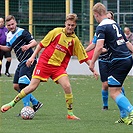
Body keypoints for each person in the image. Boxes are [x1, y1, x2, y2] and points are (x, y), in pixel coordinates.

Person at [0, 13, 98, 120]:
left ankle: (70, 114)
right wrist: (32, 57)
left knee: (67, 86)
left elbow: (83, 55)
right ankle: (11, 104)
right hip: (44, 63)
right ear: (65, 23)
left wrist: (92, 68)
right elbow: (41, 45)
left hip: (58, 68)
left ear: (75, 26)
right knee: (31, 87)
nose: (70, 27)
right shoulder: (56, 32)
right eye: (68, 25)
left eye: (72, 25)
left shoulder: (75, 40)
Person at [89, 2, 133, 125]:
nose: (95, 18)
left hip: (118, 60)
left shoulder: (102, 27)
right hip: (126, 59)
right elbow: (126, 43)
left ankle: (131, 111)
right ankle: (124, 116)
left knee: (113, 92)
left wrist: (92, 63)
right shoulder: (115, 24)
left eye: (94, 16)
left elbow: (98, 47)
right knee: (117, 89)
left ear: (96, 14)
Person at [0, 15, 43, 113]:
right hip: (21, 62)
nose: (11, 26)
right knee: (16, 86)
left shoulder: (22, 32)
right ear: (6, 26)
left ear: (15, 22)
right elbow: (8, 48)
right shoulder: (9, 35)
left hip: (29, 60)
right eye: (9, 25)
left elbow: (34, 42)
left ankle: (26, 108)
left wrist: (27, 46)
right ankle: (36, 103)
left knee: (23, 84)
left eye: (12, 24)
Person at [86, 11, 125, 110]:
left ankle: (123, 106)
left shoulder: (115, 29)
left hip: (114, 59)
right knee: (105, 84)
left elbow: (122, 44)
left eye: (110, 18)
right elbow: (95, 45)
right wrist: (83, 51)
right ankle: (105, 105)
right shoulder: (100, 30)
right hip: (103, 60)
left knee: (117, 85)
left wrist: (106, 49)